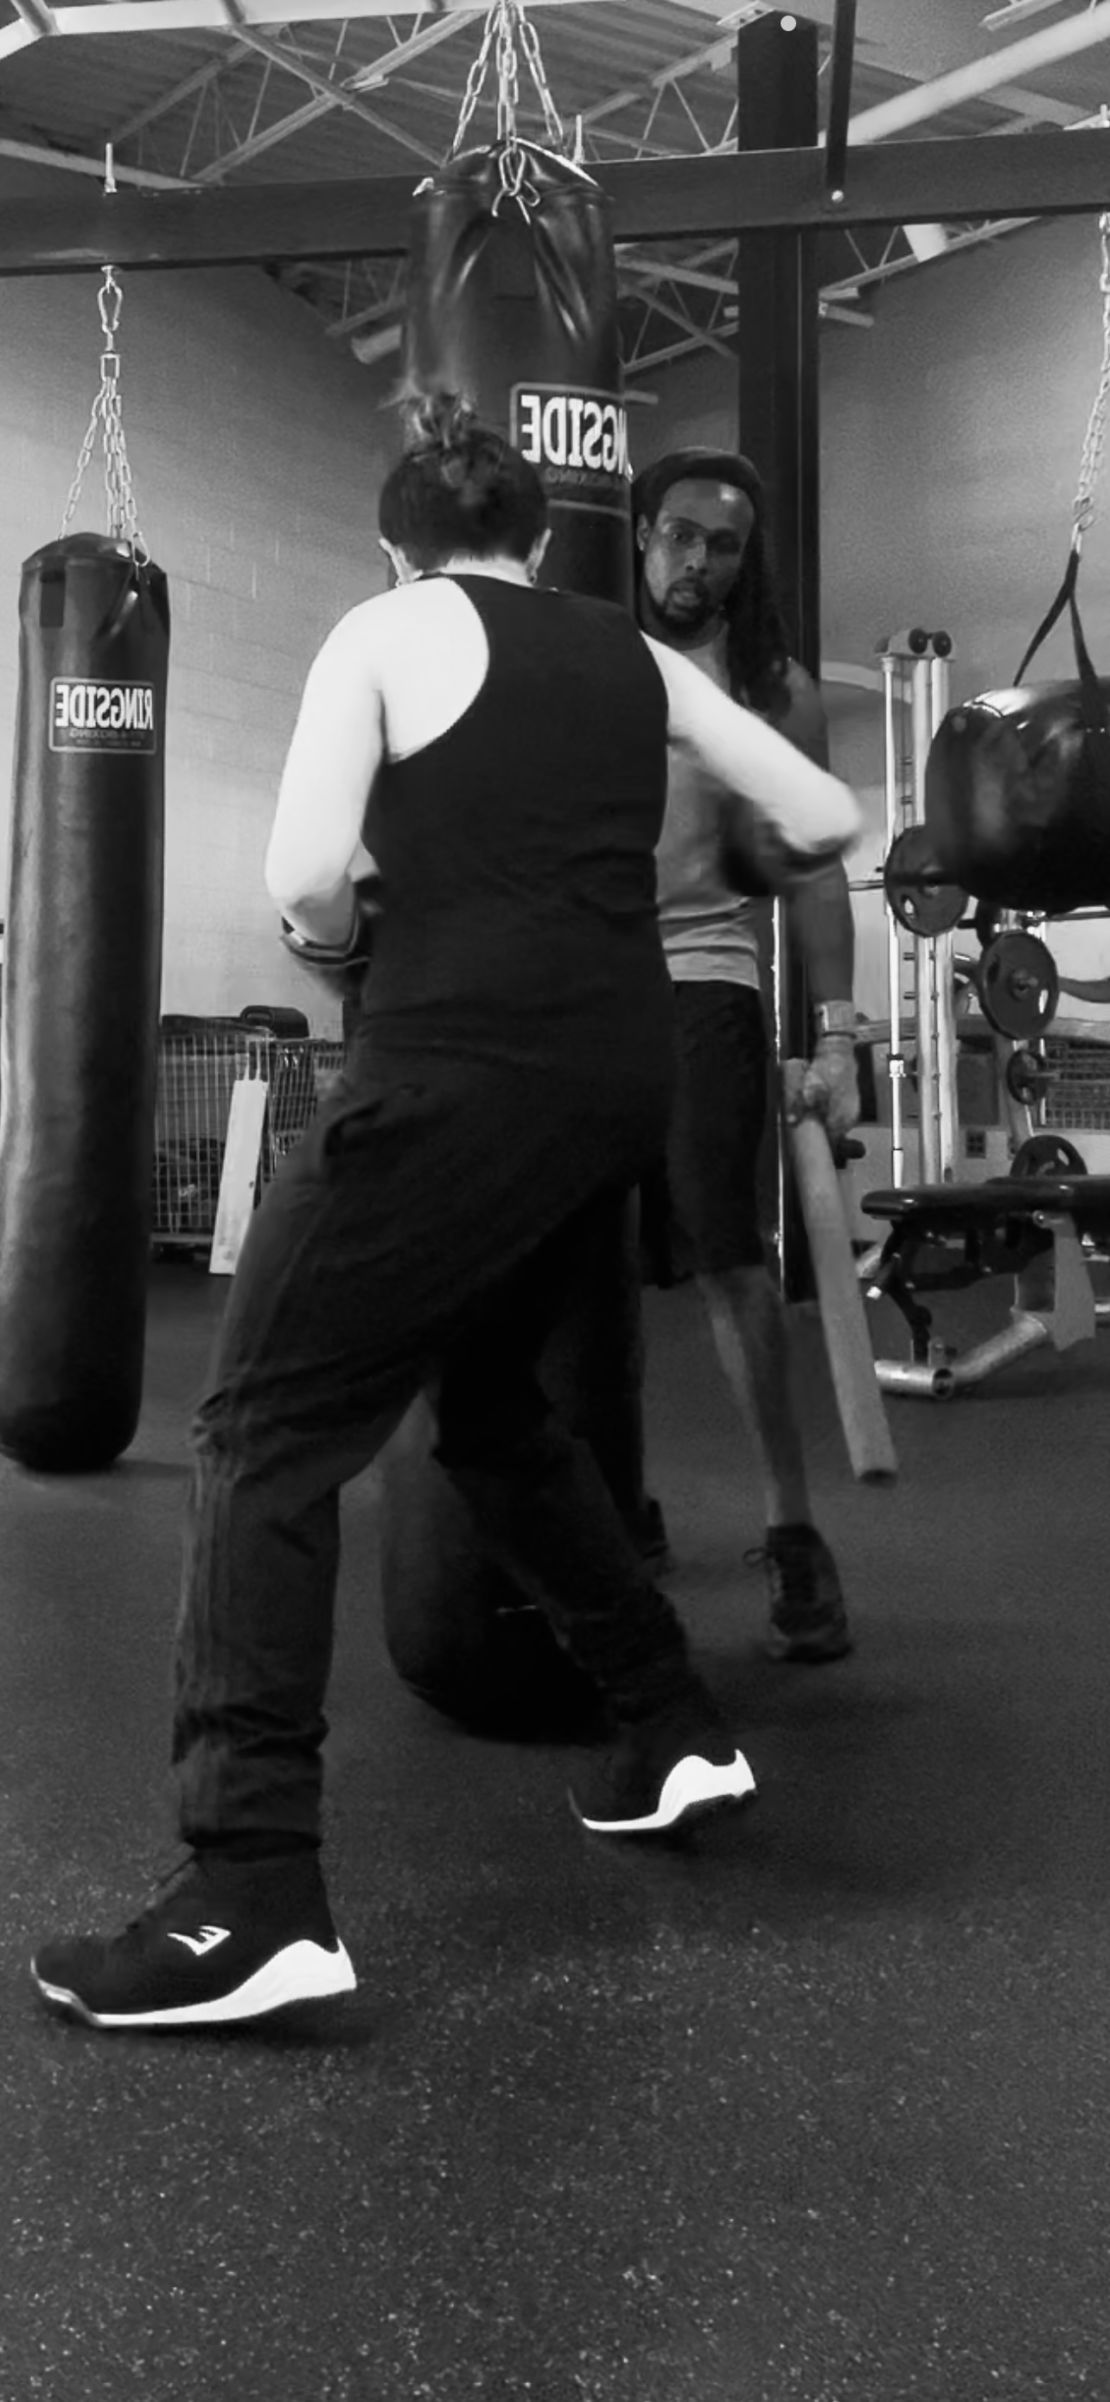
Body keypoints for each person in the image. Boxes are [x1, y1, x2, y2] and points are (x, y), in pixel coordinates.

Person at [31, 395, 860, 2033]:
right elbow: (829, 823)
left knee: (259, 1431)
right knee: (490, 1415)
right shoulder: (640, 658)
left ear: (393, 543)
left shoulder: (384, 628)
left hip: (455, 1071)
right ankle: (671, 1722)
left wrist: (352, 938)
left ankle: (250, 1891)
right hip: (617, 1073)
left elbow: (302, 877)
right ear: (542, 541)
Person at [633, 450, 860, 1664]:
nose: (698, 560)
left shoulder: (773, 688)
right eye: (680, 534)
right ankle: (614, 1495)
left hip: (704, 984)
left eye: (723, 544)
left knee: (730, 1262)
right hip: (578, 986)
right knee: (576, 1267)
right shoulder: (589, 658)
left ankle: (791, 1527)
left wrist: (839, 1031)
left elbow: (814, 867)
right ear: (641, 534)